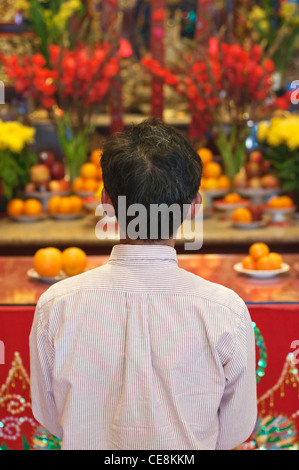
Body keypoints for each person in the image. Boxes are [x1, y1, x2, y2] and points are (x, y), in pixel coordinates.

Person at [29, 118, 257, 450]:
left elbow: (52, 417)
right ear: (194, 208)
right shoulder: (224, 310)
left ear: (106, 202)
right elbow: (235, 429)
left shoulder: (58, 305)